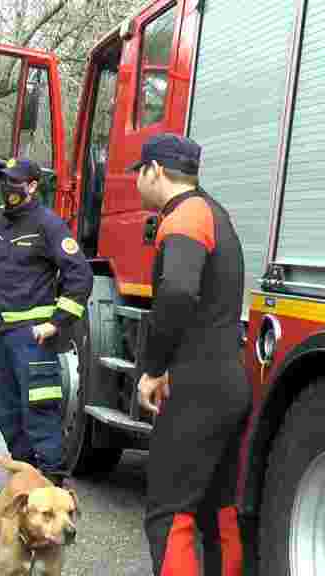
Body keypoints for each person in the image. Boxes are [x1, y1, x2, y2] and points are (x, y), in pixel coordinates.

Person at [129, 133, 250, 576]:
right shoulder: (216, 212)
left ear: (155, 170)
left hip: (195, 387)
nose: (137, 183)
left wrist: (154, 369)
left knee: (169, 513)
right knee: (218, 510)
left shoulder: (185, 215)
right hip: (226, 383)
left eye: (138, 174)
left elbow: (178, 292)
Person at [0, 158, 92, 504]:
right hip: (2, 335)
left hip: (32, 338)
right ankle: (24, 481)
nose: (7, 188)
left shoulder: (49, 225)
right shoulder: (2, 226)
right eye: (4, 181)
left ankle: (53, 485)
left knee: (39, 409)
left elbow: (80, 278)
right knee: (7, 407)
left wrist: (55, 323)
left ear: (32, 186)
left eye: (14, 182)